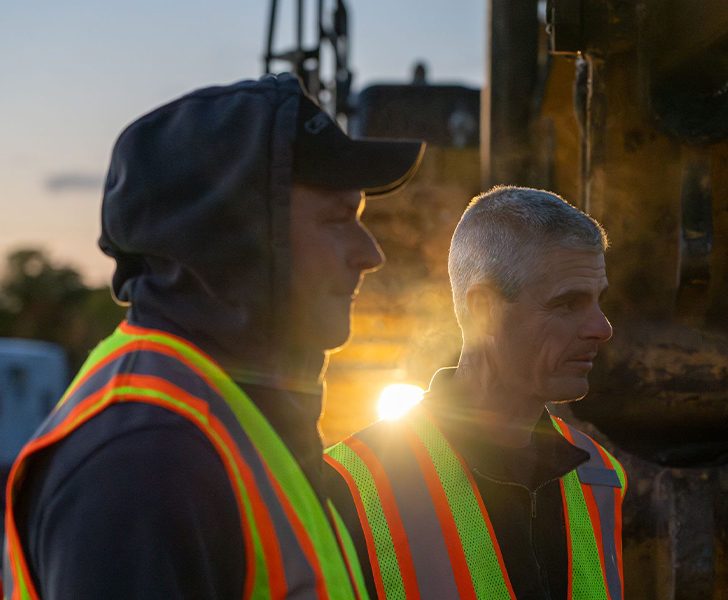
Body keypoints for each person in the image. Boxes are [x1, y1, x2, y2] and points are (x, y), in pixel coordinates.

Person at [2, 74, 424, 600]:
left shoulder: (238, 420)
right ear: (241, 237)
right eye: (339, 220)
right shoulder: (145, 460)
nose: (370, 254)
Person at [325, 186, 627, 600]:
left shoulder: (601, 477)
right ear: (484, 308)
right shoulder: (349, 489)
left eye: (597, 301)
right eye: (568, 304)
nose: (602, 328)